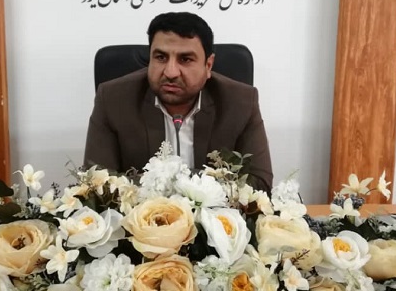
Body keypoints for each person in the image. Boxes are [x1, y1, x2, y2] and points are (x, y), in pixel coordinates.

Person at [84, 12, 273, 191]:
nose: (170, 72)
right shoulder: (113, 99)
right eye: (160, 57)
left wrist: (185, 188)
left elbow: (259, 183)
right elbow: (96, 183)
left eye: (185, 59)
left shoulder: (241, 102)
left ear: (208, 65)